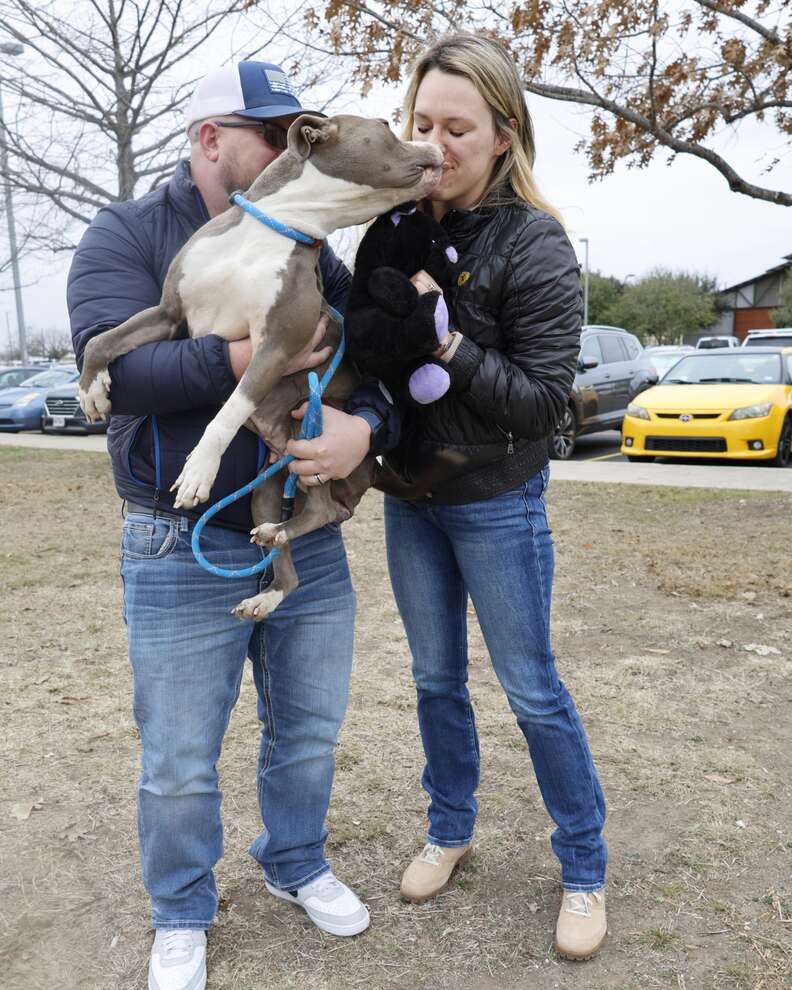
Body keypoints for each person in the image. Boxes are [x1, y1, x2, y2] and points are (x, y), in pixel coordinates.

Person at [67, 61, 398, 990]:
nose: (300, 147)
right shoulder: (128, 235)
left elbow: (360, 352)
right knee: (178, 757)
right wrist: (249, 352)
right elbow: (123, 381)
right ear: (213, 139)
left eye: (304, 129)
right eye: (276, 132)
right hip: (177, 544)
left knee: (307, 730)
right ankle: (181, 910)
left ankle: (295, 862)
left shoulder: (306, 240)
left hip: (302, 533)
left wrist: (363, 425)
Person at [373, 33, 608, 961]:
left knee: (531, 689)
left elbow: (546, 404)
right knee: (435, 680)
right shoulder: (395, 223)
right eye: (420, 122)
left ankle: (584, 868)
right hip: (409, 496)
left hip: (496, 500)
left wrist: (443, 343)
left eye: (456, 127)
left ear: (505, 135)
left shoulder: (536, 243)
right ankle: (451, 824)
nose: (434, 143)